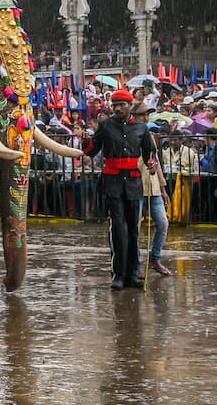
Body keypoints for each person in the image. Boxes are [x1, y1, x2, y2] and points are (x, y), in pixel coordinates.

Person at [83, 88, 156, 290]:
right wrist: (85, 141)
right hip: (112, 182)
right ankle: (119, 274)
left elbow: (150, 153)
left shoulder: (142, 128)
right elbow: (91, 150)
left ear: (130, 105)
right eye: (114, 105)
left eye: (121, 104)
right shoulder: (105, 126)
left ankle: (133, 273)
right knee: (118, 228)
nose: (117, 108)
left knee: (133, 228)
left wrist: (151, 164)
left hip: (133, 182)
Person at [138, 128, 172, 276]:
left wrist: (164, 190)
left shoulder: (152, 147)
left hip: (155, 190)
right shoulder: (132, 144)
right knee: (135, 227)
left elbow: (157, 168)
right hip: (137, 190)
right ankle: (136, 262)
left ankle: (155, 258)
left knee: (163, 223)